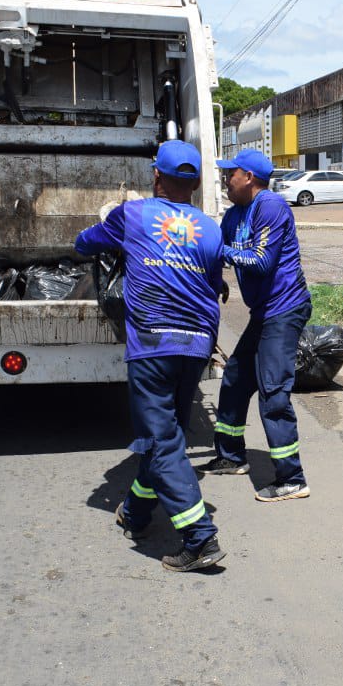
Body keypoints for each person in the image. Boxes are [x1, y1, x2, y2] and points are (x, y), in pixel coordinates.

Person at [74, 140, 227, 572]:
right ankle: (137, 513)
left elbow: (86, 243)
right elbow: (214, 283)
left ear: (155, 176)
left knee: (161, 442)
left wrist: (90, 237)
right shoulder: (212, 229)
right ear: (196, 184)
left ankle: (200, 538)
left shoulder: (134, 214)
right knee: (169, 435)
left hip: (154, 345)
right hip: (196, 344)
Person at [200, 148, 312, 502]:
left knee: (273, 391)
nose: (224, 178)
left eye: (230, 172)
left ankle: (292, 478)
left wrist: (220, 256)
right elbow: (217, 249)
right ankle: (231, 457)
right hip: (264, 312)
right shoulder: (233, 216)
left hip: (285, 307)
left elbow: (262, 262)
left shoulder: (271, 206)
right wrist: (215, 277)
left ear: (248, 177)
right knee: (234, 379)